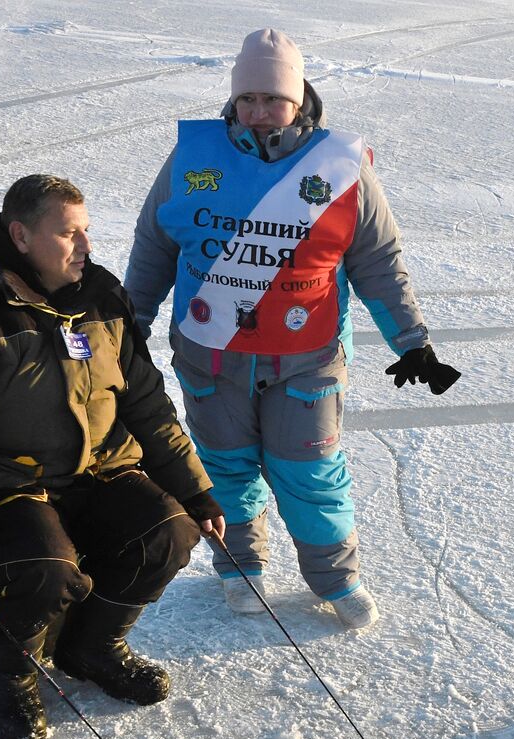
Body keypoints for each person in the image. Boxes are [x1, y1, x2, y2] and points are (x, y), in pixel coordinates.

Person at [123, 28, 460, 630]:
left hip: (306, 357)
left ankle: (335, 575)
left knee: (311, 471)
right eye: (247, 97)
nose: (257, 113)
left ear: (298, 98)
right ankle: (240, 567)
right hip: (211, 354)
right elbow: (155, 245)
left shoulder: (337, 165)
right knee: (224, 465)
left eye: (272, 99)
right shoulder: (194, 156)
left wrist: (412, 340)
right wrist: (130, 323)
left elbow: (378, 260)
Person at [0, 174, 224, 739]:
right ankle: (8, 672)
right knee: (46, 568)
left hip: (100, 469)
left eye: (87, 231)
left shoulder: (99, 295)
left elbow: (147, 404)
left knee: (169, 532)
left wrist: (196, 494)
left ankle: (92, 646)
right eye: (68, 233)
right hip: (10, 488)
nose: (85, 247)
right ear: (21, 235)